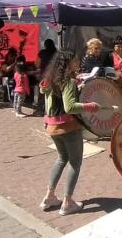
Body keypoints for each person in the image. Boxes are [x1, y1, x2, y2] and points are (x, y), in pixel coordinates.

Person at [39, 50, 101, 216]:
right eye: (75, 59)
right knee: (75, 162)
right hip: (67, 127)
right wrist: (90, 106)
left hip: (51, 126)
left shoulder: (50, 79)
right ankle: (67, 202)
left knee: (61, 158)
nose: (78, 62)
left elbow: (54, 98)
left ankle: (49, 196)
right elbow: (70, 106)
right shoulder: (69, 81)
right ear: (67, 63)